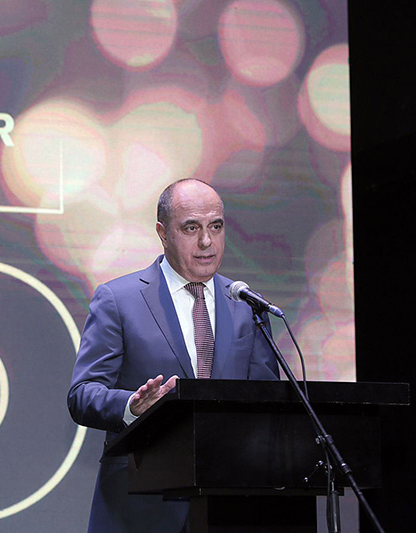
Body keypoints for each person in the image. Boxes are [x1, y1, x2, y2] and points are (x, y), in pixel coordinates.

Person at [67, 178, 280, 532]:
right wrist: (131, 407)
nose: (207, 241)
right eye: (191, 228)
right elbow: (82, 394)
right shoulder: (118, 300)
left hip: (228, 504)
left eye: (216, 226)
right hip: (141, 507)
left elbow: (266, 401)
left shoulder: (245, 304)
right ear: (163, 233)